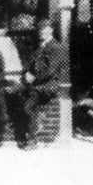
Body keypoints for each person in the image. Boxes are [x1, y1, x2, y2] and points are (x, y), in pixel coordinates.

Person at [11, 21, 66, 149]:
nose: (42, 32)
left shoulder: (56, 47)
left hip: (49, 85)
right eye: (41, 30)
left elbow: (51, 71)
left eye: (45, 29)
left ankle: (32, 140)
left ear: (51, 30)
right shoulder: (41, 47)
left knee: (28, 107)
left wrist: (33, 78)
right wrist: (26, 73)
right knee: (12, 92)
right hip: (37, 83)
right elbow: (29, 65)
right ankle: (31, 125)